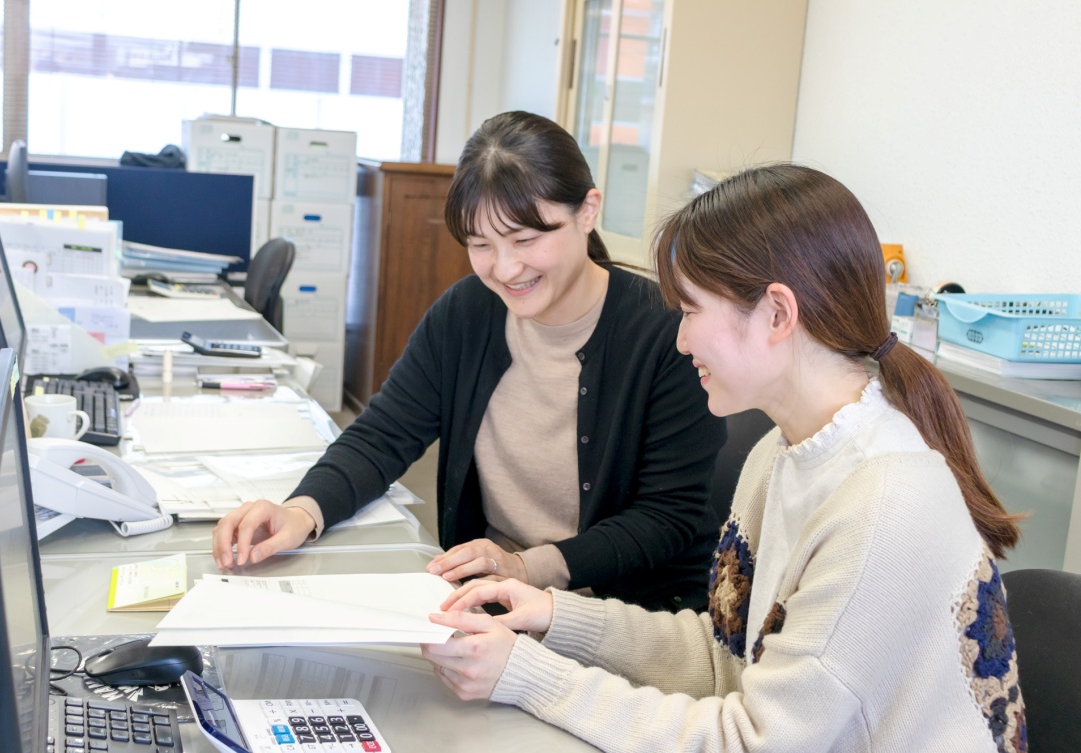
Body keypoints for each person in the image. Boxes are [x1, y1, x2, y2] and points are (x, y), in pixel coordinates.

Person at [421, 164, 1027, 752]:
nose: (681, 341)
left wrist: (529, 675)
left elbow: (752, 741)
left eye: (689, 312)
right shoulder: (779, 455)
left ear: (777, 314)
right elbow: (724, 658)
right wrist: (554, 615)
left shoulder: (883, 507)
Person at [211, 111, 727, 612]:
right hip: (490, 603)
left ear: (587, 210)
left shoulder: (667, 332)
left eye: (526, 239)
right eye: (481, 245)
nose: (505, 269)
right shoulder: (467, 313)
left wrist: (526, 568)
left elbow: (666, 517)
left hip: (614, 613)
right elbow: (384, 433)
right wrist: (303, 509)